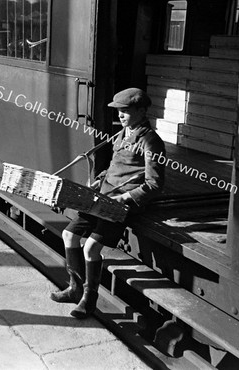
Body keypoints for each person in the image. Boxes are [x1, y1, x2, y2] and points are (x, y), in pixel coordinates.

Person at [50, 88, 165, 319]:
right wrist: (98, 181)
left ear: (142, 111)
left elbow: (154, 184)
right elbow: (114, 169)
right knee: (68, 235)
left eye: (125, 110)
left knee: (91, 247)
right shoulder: (122, 134)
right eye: (118, 111)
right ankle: (74, 288)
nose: (120, 115)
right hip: (102, 197)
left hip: (121, 205)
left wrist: (125, 197)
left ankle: (89, 300)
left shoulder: (151, 141)